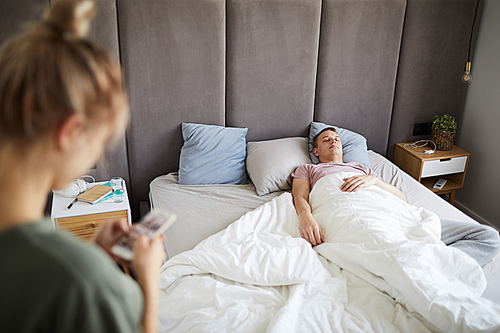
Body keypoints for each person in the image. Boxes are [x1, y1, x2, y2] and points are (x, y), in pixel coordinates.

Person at [0, 1, 165, 332]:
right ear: (71, 132)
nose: (95, 157)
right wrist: (148, 286)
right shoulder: (87, 286)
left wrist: (92, 253)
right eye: (101, 141)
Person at [291, 127, 500, 266]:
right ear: (316, 151)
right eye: (326, 139)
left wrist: (375, 181)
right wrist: (306, 218)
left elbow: (402, 199)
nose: (333, 141)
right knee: (383, 244)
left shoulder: (362, 168)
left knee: (489, 237)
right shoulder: (308, 168)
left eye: (336, 138)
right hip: (355, 212)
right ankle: (430, 264)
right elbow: (299, 197)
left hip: (396, 213)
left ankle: (433, 264)